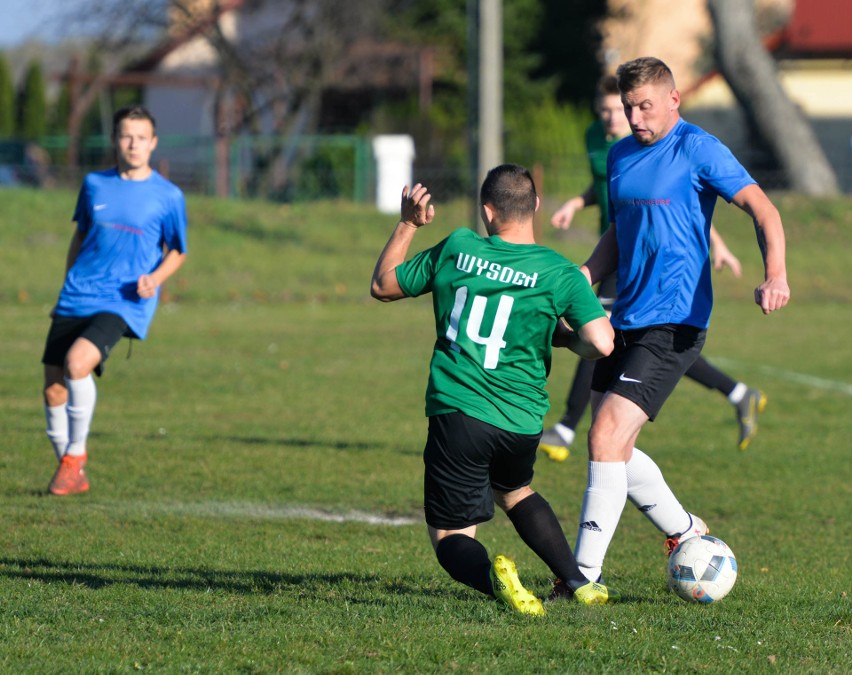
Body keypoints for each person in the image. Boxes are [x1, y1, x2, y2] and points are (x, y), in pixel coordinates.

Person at [555, 57, 789, 593]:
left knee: (606, 435)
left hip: (676, 322)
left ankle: (581, 577)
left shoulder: (698, 148)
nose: (635, 117)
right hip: (624, 316)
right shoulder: (618, 156)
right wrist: (586, 276)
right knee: (612, 443)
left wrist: (775, 273)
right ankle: (686, 531)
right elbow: (621, 227)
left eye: (645, 106)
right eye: (628, 106)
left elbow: (764, 210)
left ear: (674, 99)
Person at [370, 164, 617, 614]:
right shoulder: (558, 272)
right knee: (516, 490)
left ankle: (496, 582)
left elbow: (383, 285)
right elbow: (602, 342)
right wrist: (559, 335)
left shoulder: (458, 246)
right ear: (536, 206)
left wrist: (407, 223)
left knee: (450, 538)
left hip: (460, 412)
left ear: (487, 211)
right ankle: (580, 581)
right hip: (523, 422)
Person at [539, 75, 765, 462]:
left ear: (671, 100)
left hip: (665, 297)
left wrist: (755, 263)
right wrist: (582, 237)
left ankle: (564, 427)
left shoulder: (693, 148)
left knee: (598, 351)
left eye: (637, 106)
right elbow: (620, 208)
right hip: (624, 276)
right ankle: (736, 396)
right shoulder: (612, 149)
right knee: (609, 427)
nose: (625, 117)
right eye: (619, 108)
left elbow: (694, 208)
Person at [41, 105, 188, 496]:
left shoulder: (168, 195)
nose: (133, 143)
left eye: (141, 137)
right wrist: (65, 286)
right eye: (126, 135)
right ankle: (71, 472)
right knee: (53, 389)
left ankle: (75, 456)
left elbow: (178, 250)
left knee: (77, 363)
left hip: (124, 299)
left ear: (153, 143)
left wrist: (154, 279)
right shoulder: (93, 184)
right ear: (115, 140)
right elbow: (80, 237)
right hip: (78, 293)